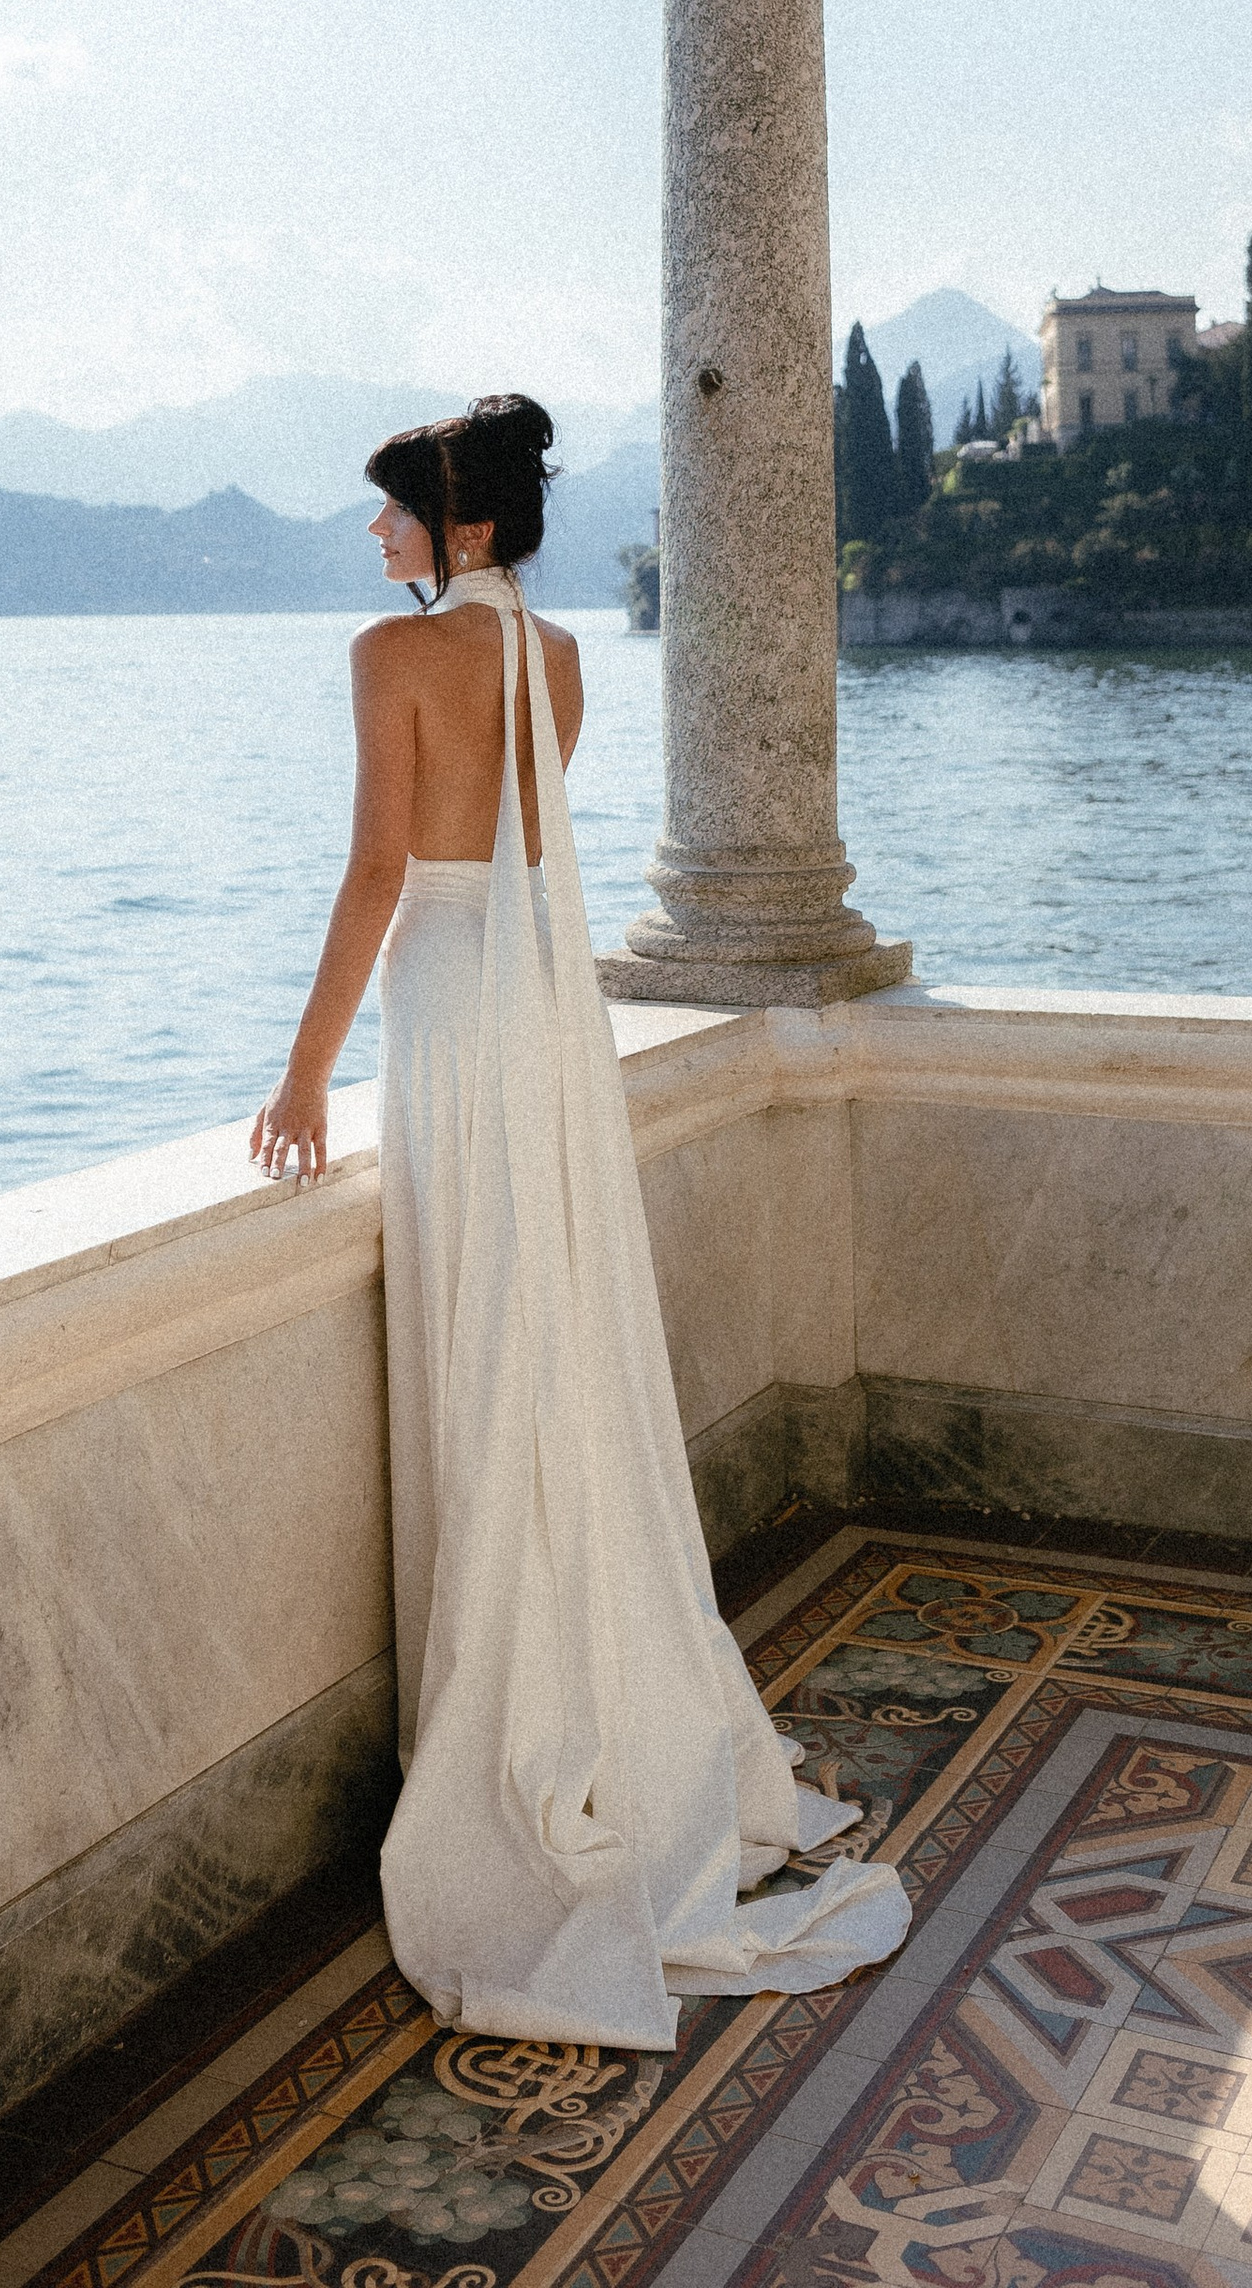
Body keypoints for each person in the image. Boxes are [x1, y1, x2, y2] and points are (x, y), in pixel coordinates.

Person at [251, 393, 909, 2051]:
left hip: (461, 1020)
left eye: (395, 510)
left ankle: (506, 1732)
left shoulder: (389, 659)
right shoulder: (558, 664)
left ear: (460, 528)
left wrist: (305, 1078)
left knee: (486, 1339)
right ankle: (604, 1705)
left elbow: (379, 875)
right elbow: (520, 852)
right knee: (545, 1335)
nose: (377, 536)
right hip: (546, 1032)